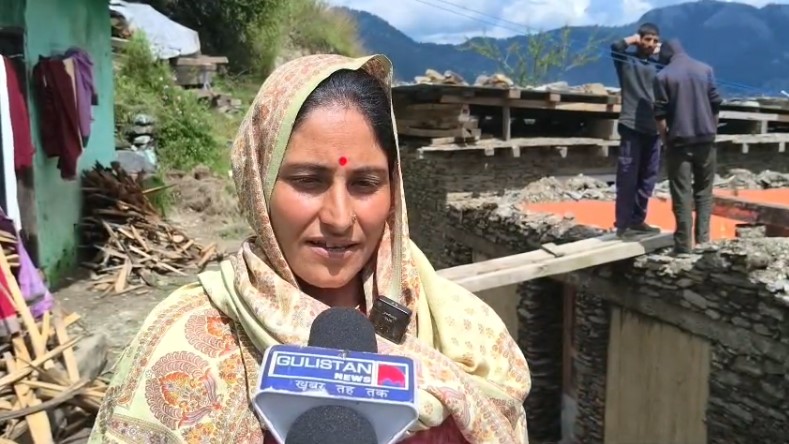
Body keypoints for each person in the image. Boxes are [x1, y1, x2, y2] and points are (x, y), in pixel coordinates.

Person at [87, 54, 531, 443]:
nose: (339, 217)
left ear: (393, 190)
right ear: (257, 185)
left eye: (365, 183)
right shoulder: (185, 342)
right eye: (307, 181)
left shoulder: (464, 330)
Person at [653, 39, 722, 254]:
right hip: (706, 140)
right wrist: (712, 128)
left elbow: (660, 114)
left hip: (679, 143)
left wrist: (665, 139)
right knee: (704, 191)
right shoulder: (705, 69)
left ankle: (683, 246)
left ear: (666, 54)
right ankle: (703, 241)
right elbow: (716, 103)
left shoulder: (662, 76)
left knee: (682, 194)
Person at [610, 22, 663, 237]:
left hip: (653, 129)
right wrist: (631, 39)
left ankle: (637, 220)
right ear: (639, 39)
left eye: (654, 41)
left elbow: (673, 62)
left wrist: (662, 52)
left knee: (648, 177)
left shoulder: (658, 66)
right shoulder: (627, 61)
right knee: (627, 176)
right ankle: (622, 223)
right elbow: (615, 47)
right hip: (631, 125)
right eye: (647, 39)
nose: (650, 44)